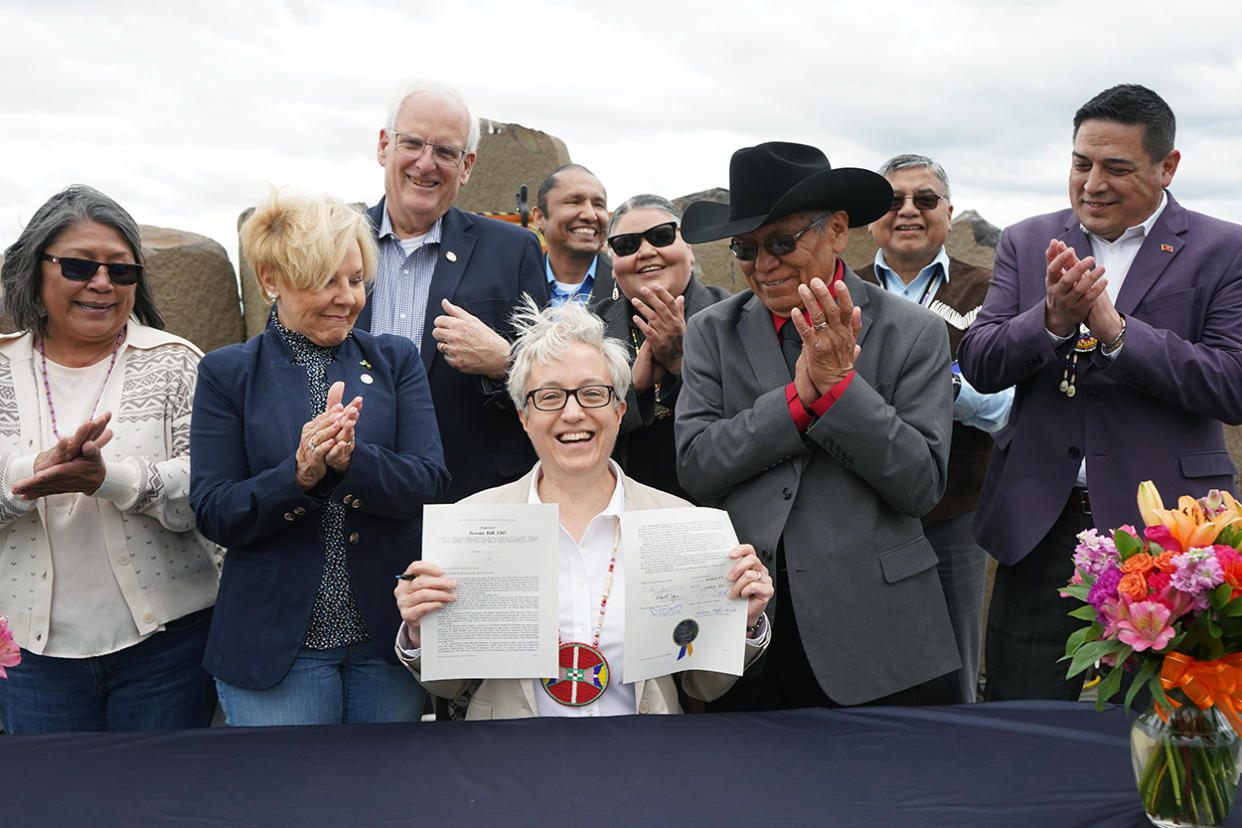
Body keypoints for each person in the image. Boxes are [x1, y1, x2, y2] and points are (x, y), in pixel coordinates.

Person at [957, 84, 1242, 701]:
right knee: (1021, 714)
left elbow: (1231, 384)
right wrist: (1052, 320)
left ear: (1168, 168)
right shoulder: (1027, 241)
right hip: (1041, 523)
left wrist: (1114, 331)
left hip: (1170, 530)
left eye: (1117, 168)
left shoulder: (1224, 249)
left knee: (1164, 718)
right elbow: (979, 362)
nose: (1092, 184)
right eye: (1081, 164)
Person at [677, 141, 960, 709]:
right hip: (750, 629)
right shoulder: (711, 332)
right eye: (747, 248)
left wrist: (838, 392)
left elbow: (920, 484)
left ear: (836, 230)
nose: (764, 264)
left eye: (782, 242)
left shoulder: (914, 332)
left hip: (879, 634)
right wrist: (797, 403)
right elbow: (697, 467)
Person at [394, 300, 771, 719]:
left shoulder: (676, 521)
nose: (573, 413)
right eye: (550, 396)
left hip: (643, 763)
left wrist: (746, 622)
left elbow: (704, 684)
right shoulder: (471, 523)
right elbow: (448, 684)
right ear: (523, 416)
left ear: (620, 408)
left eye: (593, 393)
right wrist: (418, 630)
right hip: (510, 766)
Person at [190, 190, 448, 725]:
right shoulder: (227, 374)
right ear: (271, 281)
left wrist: (353, 461)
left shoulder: (395, 360)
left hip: (386, 639)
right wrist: (300, 476)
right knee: (293, 805)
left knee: (385, 803)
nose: (346, 298)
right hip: (277, 650)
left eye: (355, 280)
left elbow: (429, 482)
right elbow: (214, 511)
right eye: (324, 280)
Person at [0, 185, 218, 733]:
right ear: (35, 268)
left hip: (169, 647)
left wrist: (111, 480)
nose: (101, 283)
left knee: (161, 807)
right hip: (32, 659)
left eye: (121, 271)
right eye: (78, 265)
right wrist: (35, 474)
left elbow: (211, 492)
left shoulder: (177, 363)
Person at [857, 154, 1013, 702]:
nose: (908, 211)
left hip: (954, 510)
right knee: (861, 664)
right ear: (870, 217)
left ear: (948, 212)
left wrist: (932, 384)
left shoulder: (992, 290)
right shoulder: (840, 291)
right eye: (892, 200)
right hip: (857, 511)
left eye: (924, 199)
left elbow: (1003, 408)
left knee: (956, 669)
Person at [357, 79, 547, 501]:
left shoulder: (514, 250)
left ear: (467, 166)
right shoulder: (333, 241)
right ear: (384, 146)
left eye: (445, 152)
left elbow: (553, 380)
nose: (427, 164)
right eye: (413, 144)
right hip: (353, 500)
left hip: (472, 502)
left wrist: (505, 361)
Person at [590, 194, 728, 501]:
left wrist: (682, 362)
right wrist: (632, 388)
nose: (647, 251)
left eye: (662, 236)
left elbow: (753, 423)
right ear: (612, 264)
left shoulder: (736, 318)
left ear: (689, 248)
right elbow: (573, 427)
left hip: (720, 508)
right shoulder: (587, 330)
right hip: (619, 510)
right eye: (627, 245)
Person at [531, 164, 615, 306]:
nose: (590, 215)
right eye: (574, 202)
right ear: (539, 217)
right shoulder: (513, 285)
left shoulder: (627, 286)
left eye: (599, 205)